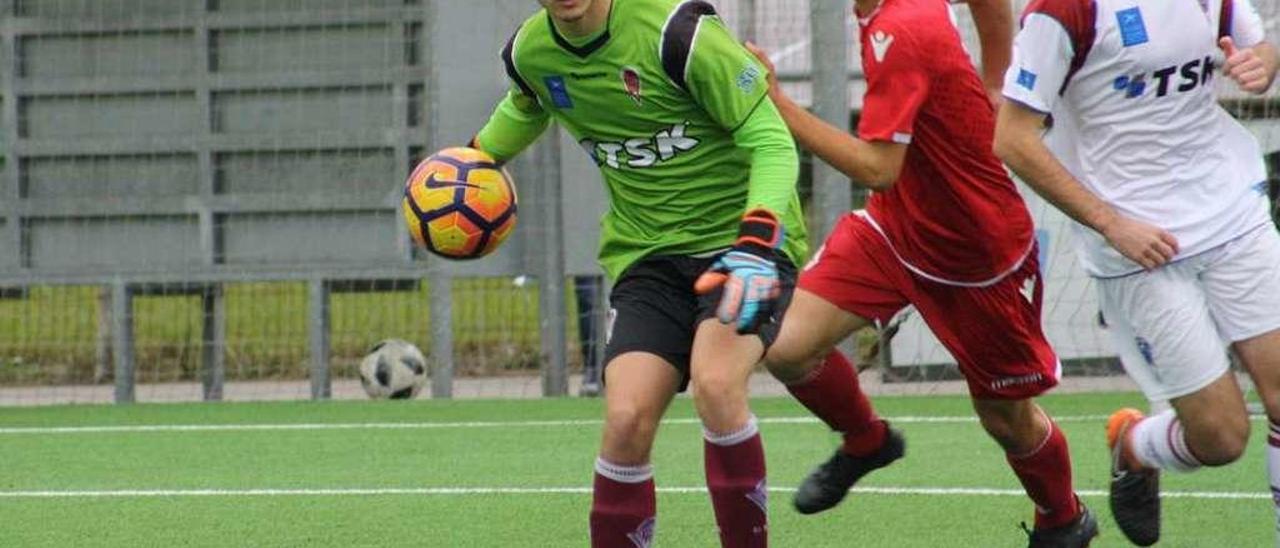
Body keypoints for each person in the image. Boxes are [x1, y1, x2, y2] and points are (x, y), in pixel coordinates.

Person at [472, 1, 879, 545]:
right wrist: (473, 161)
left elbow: (771, 139)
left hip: (745, 247)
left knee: (716, 385)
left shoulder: (679, 34)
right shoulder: (530, 52)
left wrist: (757, 239)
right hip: (648, 258)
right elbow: (527, 106)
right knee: (625, 418)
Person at [736, 0, 1096, 544]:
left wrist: (778, 102)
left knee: (1005, 419)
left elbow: (878, 169)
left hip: (976, 254)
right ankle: (867, 441)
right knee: (787, 346)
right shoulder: (881, 12)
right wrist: (996, 80)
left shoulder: (902, 28)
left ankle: (1063, 517)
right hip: (895, 227)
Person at [994, 0, 1279, 544]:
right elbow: (1013, 138)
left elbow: (1258, 43)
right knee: (1221, 439)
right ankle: (1133, 444)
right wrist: (1111, 223)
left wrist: (1264, 60)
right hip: (1138, 247)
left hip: (1233, 213)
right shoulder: (1063, 11)